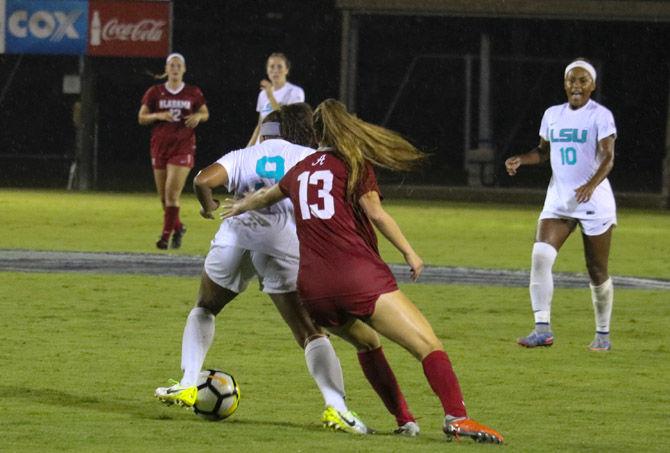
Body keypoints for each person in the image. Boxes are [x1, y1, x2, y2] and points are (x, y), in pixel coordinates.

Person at [220, 99, 504, 444]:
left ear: (316, 134)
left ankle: (405, 420)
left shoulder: (301, 168)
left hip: (313, 289)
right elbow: (377, 214)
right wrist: (410, 252)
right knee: (428, 345)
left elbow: (267, 195)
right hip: (355, 277)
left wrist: (240, 205)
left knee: (368, 343)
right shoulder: (352, 163)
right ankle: (457, 417)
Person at [155, 103, 418, 436]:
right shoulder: (310, 157)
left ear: (268, 129)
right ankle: (337, 409)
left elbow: (203, 180)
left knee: (205, 307)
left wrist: (209, 207)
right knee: (310, 333)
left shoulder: (245, 154)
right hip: (283, 244)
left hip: (236, 235)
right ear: (307, 130)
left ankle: (189, 382)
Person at [505, 58, 617, 352]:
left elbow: (608, 157)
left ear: (592, 85)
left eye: (582, 81)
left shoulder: (600, 116)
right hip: (559, 199)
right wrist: (521, 159)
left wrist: (590, 185)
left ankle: (602, 334)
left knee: (596, 269)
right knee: (540, 256)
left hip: (594, 201)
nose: (576, 86)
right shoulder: (552, 114)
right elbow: (542, 153)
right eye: (571, 80)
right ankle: (542, 329)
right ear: (565, 83)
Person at [138, 53, 209, 250]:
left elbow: (205, 113)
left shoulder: (193, 92)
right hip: (160, 147)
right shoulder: (155, 92)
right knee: (164, 198)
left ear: (184, 69)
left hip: (183, 147)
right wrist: (159, 115)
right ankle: (178, 227)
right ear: (166, 69)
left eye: (179, 65)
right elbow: (142, 117)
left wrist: (197, 117)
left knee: (171, 194)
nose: (175, 68)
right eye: (172, 65)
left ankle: (165, 236)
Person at [247, 52, 304, 146]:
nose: (275, 70)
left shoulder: (295, 92)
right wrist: (249, 147)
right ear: (267, 70)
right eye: (272, 66)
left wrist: (270, 96)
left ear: (287, 70)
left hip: (282, 144)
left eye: (279, 66)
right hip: (261, 146)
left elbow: (287, 119)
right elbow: (260, 124)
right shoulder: (262, 94)